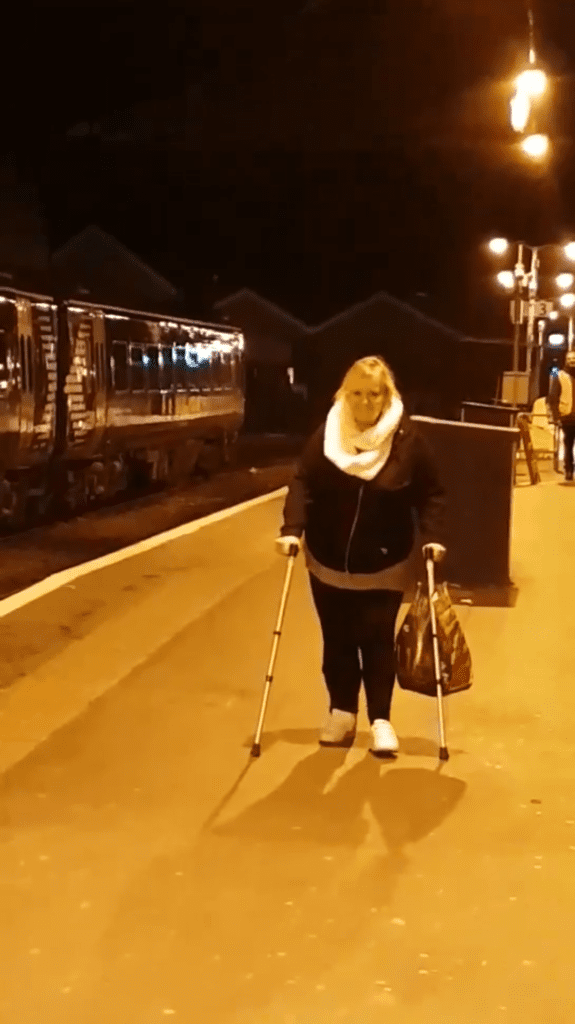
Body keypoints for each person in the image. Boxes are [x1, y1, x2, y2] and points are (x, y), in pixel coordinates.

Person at [275, 355, 447, 756]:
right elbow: (303, 482)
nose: (365, 402)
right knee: (336, 639)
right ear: (343, 394)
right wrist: (292, 530)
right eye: (357, 394)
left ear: (388, 395)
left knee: (375, 639)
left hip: (385, 559)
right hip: (327, 557)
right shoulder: (327, 436)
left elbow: (432, 492)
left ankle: (381, 720)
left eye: (374, 394)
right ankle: (341, 712)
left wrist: (433, 535)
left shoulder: (408, 440)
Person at [548, 351, 575, 480]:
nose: (572, 361)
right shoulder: (558, 375)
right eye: (569, 359)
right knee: (568, 444)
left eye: (574, 359)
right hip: (567, 416)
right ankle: (568, 470)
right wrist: (555, 416)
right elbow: (553, 397)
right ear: (565, 360)